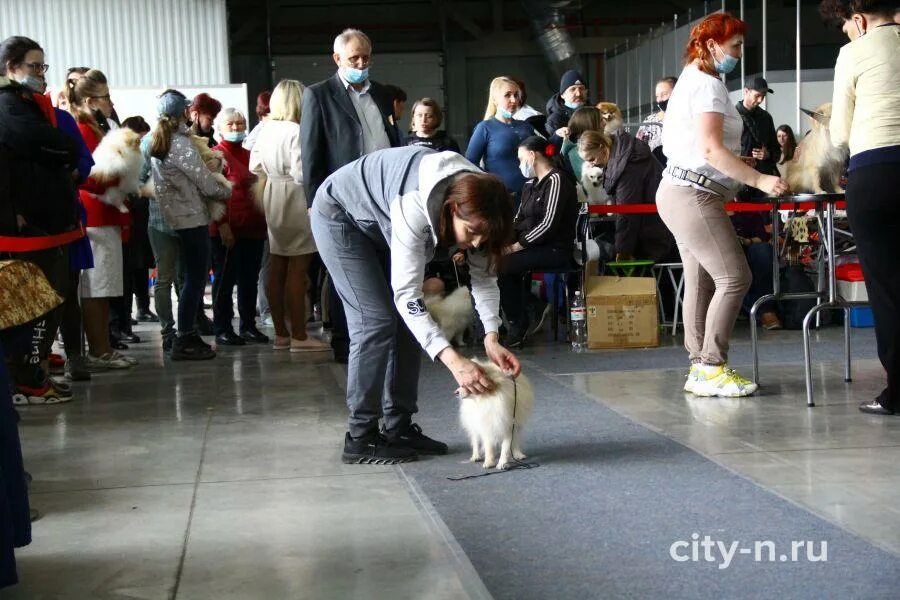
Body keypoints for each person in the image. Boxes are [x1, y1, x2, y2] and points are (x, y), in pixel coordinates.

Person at [310, 146, 520, 464]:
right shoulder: (415, 206)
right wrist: (454, 361)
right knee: (375, 321)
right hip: (341, 214)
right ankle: (361, 435)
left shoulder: (483, 205)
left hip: (381, 217)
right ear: (451, 209)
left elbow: (485, 278)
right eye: (473, 233)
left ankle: (399, 427)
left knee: (411, 323)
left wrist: (491, 335)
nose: (477, 243)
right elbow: (407, 296)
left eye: (484, 236)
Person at [657, 12, 789, 398]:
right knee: (735, 277)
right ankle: (711, 365)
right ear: (713, 46)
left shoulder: (691, 81)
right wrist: (762, 178)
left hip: (680, 190)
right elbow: (712, 150)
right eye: (735, 46)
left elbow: (701, 148)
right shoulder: (709, 86)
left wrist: (736, 165)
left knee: (700, 280)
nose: (739, 53)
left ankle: (700, 366)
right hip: (694, 194)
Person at [300, 28, 401, 363]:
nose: (361, 62)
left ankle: (386, 340)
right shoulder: (318, 95)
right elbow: (312, 153)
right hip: (342, 200)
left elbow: (391, 138)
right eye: (354, 57)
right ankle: (346, 343)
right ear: (337, 59)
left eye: (366, 57)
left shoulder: (382, 94)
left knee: (386, 270)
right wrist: (314, 203)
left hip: (384, 197)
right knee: (348, 277)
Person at [819, 0, 900, 415]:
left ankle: (898, 392)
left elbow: (840, 133)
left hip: (877, 175)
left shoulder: (853, 53)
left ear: (861, 19)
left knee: (886, 289)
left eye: (848, 27)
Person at [0, 36, 81, 402]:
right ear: (11, 67)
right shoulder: (7, 104)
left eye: (42, 67)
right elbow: (41, 141)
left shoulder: (26, 103)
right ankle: (27, 378)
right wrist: (65, 150)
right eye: (33, 66)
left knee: (53, 299)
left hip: (46, 221)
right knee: (40, 303)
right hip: (29, 225)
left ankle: (31, 374)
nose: (39, 74)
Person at [149, 89, 232, 360]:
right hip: (192, 218)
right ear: (184, 113)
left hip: (178, 217)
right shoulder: (180, 144)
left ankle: (186, 334)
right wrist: (225, 190)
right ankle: (185, 337)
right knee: (194, 280)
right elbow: (205, 183)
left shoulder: (161, 142)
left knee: (190, 280)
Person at [250, 80, 328, 352]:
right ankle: (300, 335)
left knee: (277, 264)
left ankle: (281, 334)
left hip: (272, 193)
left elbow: (254, 165)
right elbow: (301, 173)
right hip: (295, 196)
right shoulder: (296, 130)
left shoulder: (265, 129)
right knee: (298, 267)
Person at [67, 68, 137, 370]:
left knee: (105, 286)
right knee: (96, 287)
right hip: (95, 213)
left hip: (106, 211)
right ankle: (98, 349)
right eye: (105, 96)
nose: (110, 102)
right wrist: (116, 174)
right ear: (90, 100)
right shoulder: (83, 128)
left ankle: (102, 346)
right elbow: (86, 175)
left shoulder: (97, 126)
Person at [499, 136, 578, 347]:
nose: (519, 164)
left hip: (555, 249)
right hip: (532, 246)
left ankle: (519, 321)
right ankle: (529, 308)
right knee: (498, 262)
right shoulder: (529, 185)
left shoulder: (557, 180)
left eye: (520, 158)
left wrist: (516, 246)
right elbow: (518, 220)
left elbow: (548, 224)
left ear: (532, 155)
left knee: (504, 266)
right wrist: (502, 242)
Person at [210, 108, 268, 346]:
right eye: (231, 125)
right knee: (225, 280)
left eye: (240, 124)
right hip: (227, 230)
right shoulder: (215, 156)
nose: (236, 128)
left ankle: (248, 326)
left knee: (249, 279)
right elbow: (212, 194)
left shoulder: (250, 153)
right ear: (220, 129)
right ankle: (222, 327)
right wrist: (222, 226)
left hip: (253, 228)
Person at [578, 129, 676, 262]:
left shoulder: (627, 166)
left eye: (592, 158)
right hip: (659, 224)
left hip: (652, 233)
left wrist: (623, 251)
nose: (592, 164)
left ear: (602, 147)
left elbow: (627, 212)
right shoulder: (624, 151)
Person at [465, 76, 535, 203]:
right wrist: (489, 183)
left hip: (531, 195)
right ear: (495, 100)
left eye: (516, 95)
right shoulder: (485, 128)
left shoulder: (526, 126)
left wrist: (558, 136)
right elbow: (469, 164)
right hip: (501, 199)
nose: (514, 100)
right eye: (507, 95)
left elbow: (544, 154)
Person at [729, 210, 781, 329]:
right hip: (719, 254)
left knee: (762, 250)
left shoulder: (748, 212)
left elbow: (761, 237)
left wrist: (747, 241)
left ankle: (765, 309)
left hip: (748, 252)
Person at [736, 75, 780, 199]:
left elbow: (777, 152)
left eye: (763, 96)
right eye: (757, 96)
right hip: (740, 183)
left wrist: (768, 155)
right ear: (746, 92)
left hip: (764, 185)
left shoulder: (766, 118)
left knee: (766, 218)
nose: (760, 100)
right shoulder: (732, 116)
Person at [636, 76, 678, 165]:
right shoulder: (650, 121)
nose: (659, 99)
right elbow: (638, 149)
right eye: (657, 96)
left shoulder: (688, 118)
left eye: (664, 94)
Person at [560, 106, 604, 183]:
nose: (604, 123)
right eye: (600, 121)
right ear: (589, 124)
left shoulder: (595, 145)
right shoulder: (576, 152)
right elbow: (590, 185)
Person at [545, 69, 588, 147]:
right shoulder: (555, 119)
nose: (578, 94)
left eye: (581, 88)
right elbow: (551, 150)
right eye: (573, 89)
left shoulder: (595, 112)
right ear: (563, 95)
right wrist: (557, 136)